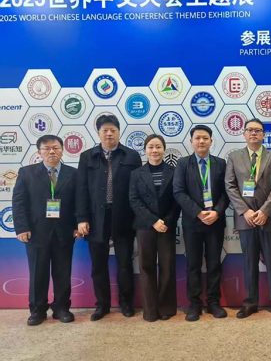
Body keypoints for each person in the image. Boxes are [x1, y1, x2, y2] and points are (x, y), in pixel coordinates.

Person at [76, 114, 142, 321]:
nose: (109, 133)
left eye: (113, 130)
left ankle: (126, 303)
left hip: (123, 217)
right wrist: (82, 218)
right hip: (96, 218)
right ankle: (102, 305)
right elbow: (81, 190)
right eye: (105, 130)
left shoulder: (132, 156)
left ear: (119, 132)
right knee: (98, 265)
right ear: (98, 133)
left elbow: (138, 189)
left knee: (125, 263)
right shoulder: (87, 157)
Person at [224, 118, 271, 319]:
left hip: (268, 218)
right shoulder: (234, 157)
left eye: (258, 130)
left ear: (263, 135)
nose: (253, 133)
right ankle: (250, 302)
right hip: (246, 219)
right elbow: (230, 186)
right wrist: (245, 211)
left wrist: (265, 211)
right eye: (250, 130)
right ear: (244, 134)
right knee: (249, 262)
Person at [12, 135, 79, 326]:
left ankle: (61, 308)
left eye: (55, 148)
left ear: (62, 150)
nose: (51, 152)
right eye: (47, 148)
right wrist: (22, 227)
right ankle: (37, 310)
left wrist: (77, 225)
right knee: (37, 273)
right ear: (39, 152)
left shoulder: (73, 174)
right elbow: (19, 202)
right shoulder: (27, 173)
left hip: (64, 231)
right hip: (36, 232)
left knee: (63, 272)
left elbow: (79, 201)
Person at [173, 125, 229, 321]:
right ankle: (194, 304)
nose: (201, 141)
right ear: (191, 141)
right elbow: (178, 192)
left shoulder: (220, 163)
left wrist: (217, 212)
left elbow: (226, 193)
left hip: (215, 221)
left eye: (205, 138)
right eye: (197, 138)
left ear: (211, 141)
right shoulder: (183, 164)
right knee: (193, 264)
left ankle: (213, 302)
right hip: (192, 223)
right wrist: (197, 212)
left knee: (214, 264)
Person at [129, 134, 180, 322]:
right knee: (146, 267)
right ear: (145, 150)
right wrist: (153, 221)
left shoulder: (174, 171)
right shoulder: (136, 174)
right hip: (145, 226)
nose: (154, 150)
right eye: (151, 147)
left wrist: (165, 221)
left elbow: (177, 199)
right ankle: (150, 310)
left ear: (164, 149)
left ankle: (166, 308)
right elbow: (134, 200)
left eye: (158, 147)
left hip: (166, 226)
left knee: (167, 267)